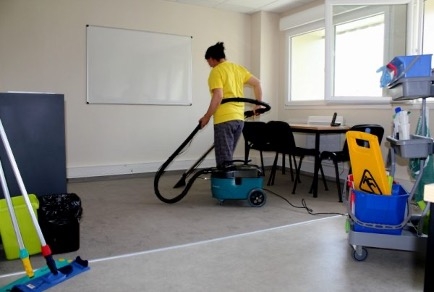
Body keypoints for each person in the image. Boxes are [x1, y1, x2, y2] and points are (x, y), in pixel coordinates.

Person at [199, 42, 263, 168]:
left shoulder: (216, 71)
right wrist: (258, 104)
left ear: (212, 58)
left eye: (208, 62)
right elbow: (257, 83)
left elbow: (218, 96)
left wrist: (206, 117)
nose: (209, 65)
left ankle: (225, 187)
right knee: (227, 158)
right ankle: (229, 184)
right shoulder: (238, 68)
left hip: (224, 120)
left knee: (224, 161)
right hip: (239, 120)